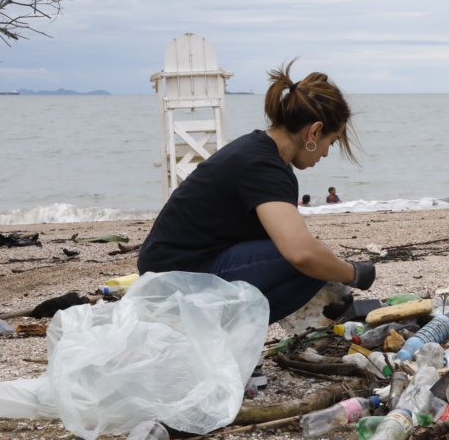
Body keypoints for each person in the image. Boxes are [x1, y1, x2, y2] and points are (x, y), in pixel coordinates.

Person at [137, 60, 375, 323]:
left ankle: (227, 338)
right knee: (309, 263)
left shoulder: (260, 153)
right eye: (331, 142)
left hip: (171, 272)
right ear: (314, 131)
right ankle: (225, 336)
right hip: (173, 281)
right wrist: (354, 273)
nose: (327, 152)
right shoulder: (262, 165)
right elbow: (300, 253)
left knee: (316, 262)